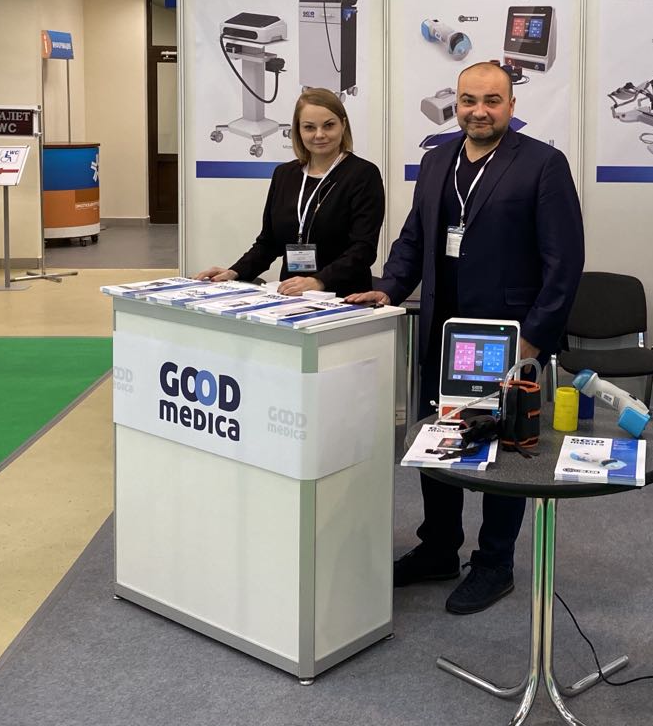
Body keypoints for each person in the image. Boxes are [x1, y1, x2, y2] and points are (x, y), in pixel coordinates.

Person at [347, 61, 583, 614]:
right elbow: (413, 237)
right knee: (441, 440)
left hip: (506, 338)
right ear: (456, 104)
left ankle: (494, 562)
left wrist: (534, 338)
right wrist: (390, 286)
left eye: (492, 101)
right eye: (469, 100)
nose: (479, 111)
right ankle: (438, 547)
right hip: (442, 330)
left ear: (511, 106)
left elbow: (565, 261)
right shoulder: (436, 160)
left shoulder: (543, 165)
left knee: (505, 448)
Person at [193, 89, 384, 296]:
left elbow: (363, 249)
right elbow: (268, 243)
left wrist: (318, 281)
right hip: (290, 295)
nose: (319, 134)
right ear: (298, 130)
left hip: (345, 296)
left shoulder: (363, 175)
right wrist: (235, 272)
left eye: (329, 125)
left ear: (343, 125)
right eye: (309, 127)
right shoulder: (284, 174)